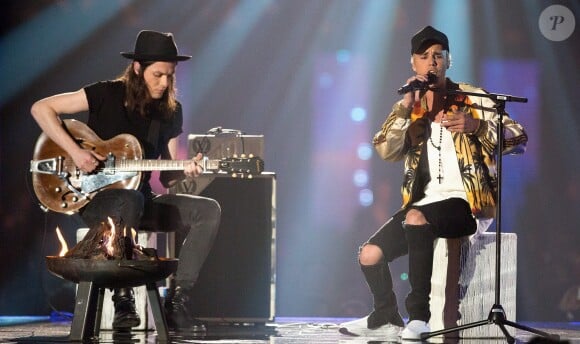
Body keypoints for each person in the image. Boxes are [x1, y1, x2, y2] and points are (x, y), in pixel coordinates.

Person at [339, 26, 527, 340]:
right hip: (424, 202)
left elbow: (518, 139)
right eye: (424, 57)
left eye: (438, 55)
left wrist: (476, 125)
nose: (432, 62)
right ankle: (386, 315)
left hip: (467, 203)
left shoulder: (471, 97)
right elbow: (385, 148)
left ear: (448, 60)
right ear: (413, 64)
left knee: (416, 218)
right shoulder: (410, 107)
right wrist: (403, 109)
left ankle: (419, 317)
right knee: (369, 254)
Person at [30, 30, 221, 331]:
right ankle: (123, 299)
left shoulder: (171, 113)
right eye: (157, 75)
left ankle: (177, 301)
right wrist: (76, 152)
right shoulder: (106, 94)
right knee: (129, 199)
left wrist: (189, 168)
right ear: (137, 69)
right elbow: (41, 109)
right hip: (97, 202)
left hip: (142, 201)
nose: (165, 83)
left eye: (170, 76)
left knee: (208, 210)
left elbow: (167, 177)